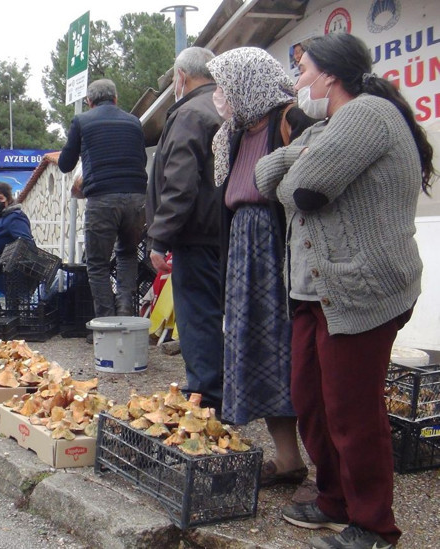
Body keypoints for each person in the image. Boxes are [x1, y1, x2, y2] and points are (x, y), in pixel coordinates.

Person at [255, 32, 435, 549]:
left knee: (353, 412)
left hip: (362, 289)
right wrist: (300, 156)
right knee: (311, 401)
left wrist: (294, 162)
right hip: (316, 291)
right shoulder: (328, 126)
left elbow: (305, 191)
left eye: (303, 70)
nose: (298, 81)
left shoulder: (367, 114)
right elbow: (266, 176)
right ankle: (334, 499)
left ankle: (375, 526)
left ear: (330, 75)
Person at [206, 47, 315, 489]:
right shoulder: (235, 133)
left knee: (284, 349)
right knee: (255, 349)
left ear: (249, 83)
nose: (221, 96)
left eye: (226, 86)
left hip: (276, 248)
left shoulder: (289, 119)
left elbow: (309, 177)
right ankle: (288, 458)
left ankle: (326, 467)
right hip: (244, 250)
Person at [144, 47, 224, 411]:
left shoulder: (190, 113)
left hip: (197, 233)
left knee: (198, 315)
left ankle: (206, 396)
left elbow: (180, 182)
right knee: (218, 314)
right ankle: (219, 390)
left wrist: (159, 237)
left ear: (181, 77)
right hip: (223, 228)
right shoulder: (221, 107)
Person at [58, 78, 147, 323]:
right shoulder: (134, 121)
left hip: (102, 200)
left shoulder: (82, 121)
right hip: (137, 199)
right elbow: (141, 159)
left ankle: (107, 322)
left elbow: (65, 164)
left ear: (89, 101)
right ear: (115, 99)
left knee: (97, 264)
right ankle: (125, 312)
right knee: (127, 254)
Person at [0, 182, 33, 293]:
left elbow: (27, 244)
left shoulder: (15, 217)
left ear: (8, 200)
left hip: (9, 273)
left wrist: (3, 259)